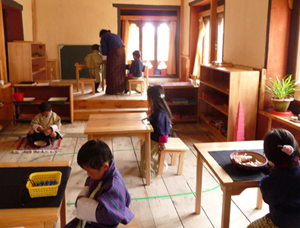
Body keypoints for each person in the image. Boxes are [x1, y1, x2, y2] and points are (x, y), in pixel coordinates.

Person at [64, 139, 134, 228]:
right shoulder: (102, 173)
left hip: (103, 224)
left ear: (105, 166)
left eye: (90, 172)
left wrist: (83, 202)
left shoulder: (113, 186)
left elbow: (112, 215)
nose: (88, 174)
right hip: (91, 219)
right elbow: (90, 184)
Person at [247, 129, 300, 228]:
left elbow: (267, 197)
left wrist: (268, 176)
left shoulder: (272, 182)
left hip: (282, 223)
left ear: (268, 155)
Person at [140, 85, 172, 177]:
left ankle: (149, 172)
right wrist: (149, 119)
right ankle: (155, 167)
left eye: (148, 97)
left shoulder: (160, 113)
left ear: (152, 98)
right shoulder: (158, 109)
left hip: (156, 140)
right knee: (145, 150)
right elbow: (156, 121)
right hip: (153, 137)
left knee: (149, 154)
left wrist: (162, 143)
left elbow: (163, 130)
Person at [99, 29, 126, 95]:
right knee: (120, 69)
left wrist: (104, 60)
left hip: (114, 51)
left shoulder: (104, 37)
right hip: (122, 51)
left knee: (112, 70)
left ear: (101, 35)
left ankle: (112, 90)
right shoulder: (115, 35)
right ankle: (121, 89)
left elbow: (104, 49)